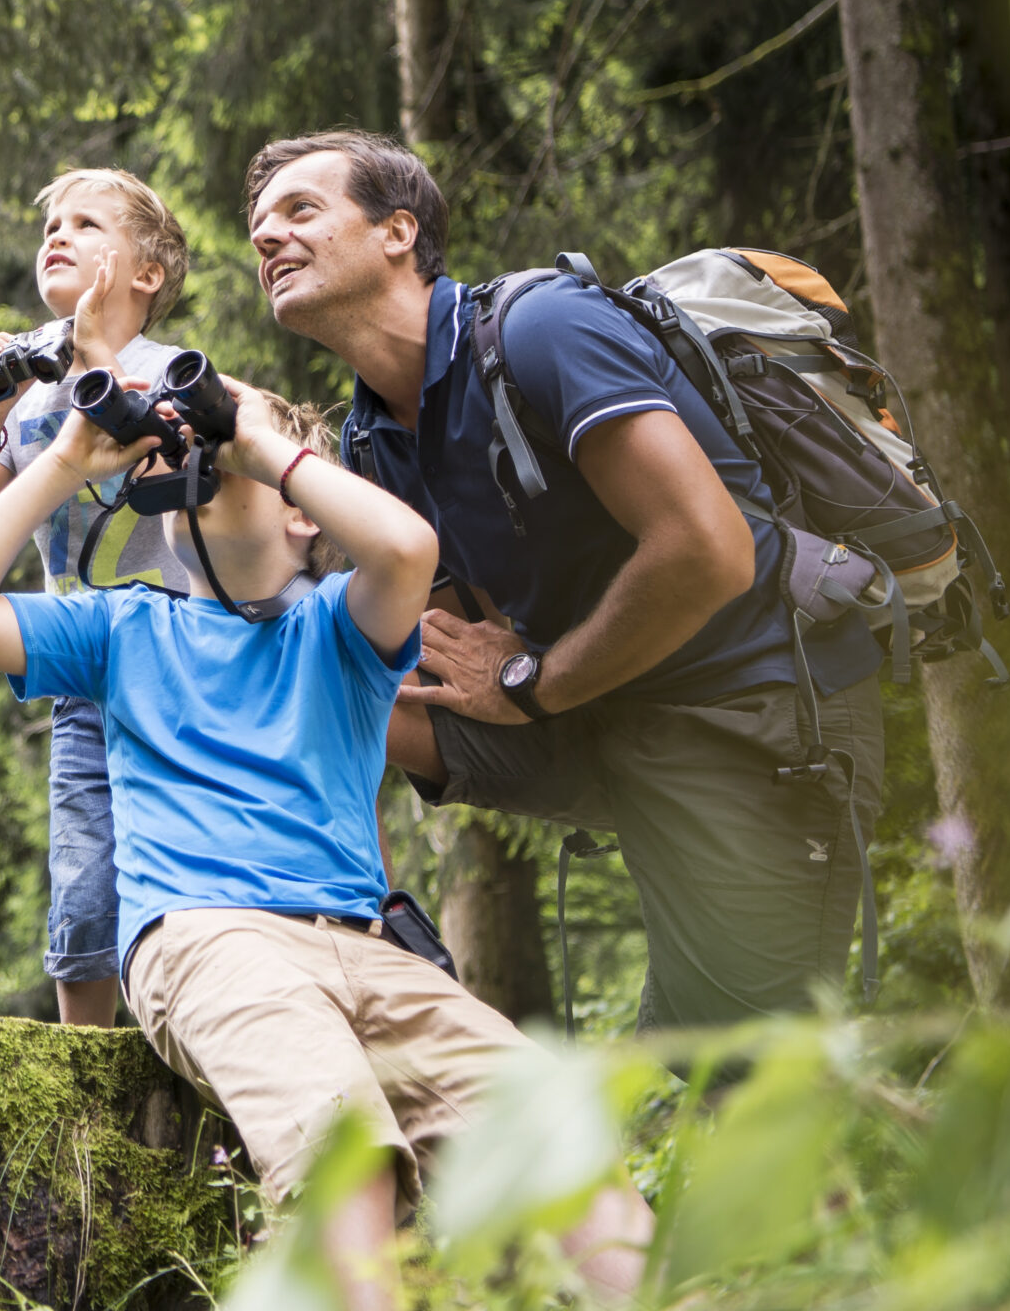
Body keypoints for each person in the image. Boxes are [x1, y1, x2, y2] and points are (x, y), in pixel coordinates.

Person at [0, 374, 653, 1310]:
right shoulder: (124, 628)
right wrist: (63, 462)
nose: (201, 465)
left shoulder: (337, 626)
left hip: (368, 949)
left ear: (300, 512)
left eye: (225, 460)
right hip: (208, 934)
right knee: (343, 1150)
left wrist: (259, 442)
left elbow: (407, 546)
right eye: (193, 460)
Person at [245, 129, 885, 1030]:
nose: (267, 234)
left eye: (301, 209)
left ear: (397, 231)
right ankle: (360, 946)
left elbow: (710, 549)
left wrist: (534, 683)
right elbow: (450, 642)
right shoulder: (372, 439)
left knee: (740, 1064)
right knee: (321, 674)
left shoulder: (539, 329)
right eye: (259, 224)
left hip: (750, 704)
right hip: (598, 707)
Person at [0, 168, 194, 1028]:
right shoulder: (29, 393)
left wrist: (92, 357)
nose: (58, 234)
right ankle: (83, 1066)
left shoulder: (170, 372)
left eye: (87, 225)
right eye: (52, 224)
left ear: (147, 273)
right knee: (83, 885)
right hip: (83, 677)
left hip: (180, 662)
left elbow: (171, 475)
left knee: (180, 873)